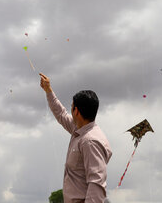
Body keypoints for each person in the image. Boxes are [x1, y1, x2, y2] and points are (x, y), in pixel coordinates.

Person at [39, 73, 112, 203]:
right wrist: (48, 90)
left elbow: (96, 185)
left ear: (76, 111)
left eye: (71, 107)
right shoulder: (79, 129)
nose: (70, 110)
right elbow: (61, 114)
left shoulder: (90, 141)